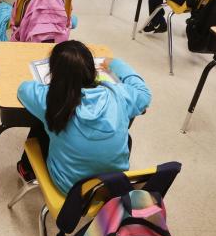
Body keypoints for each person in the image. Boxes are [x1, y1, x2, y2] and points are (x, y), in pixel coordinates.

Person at [16, 40, 151, 193]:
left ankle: (26, 169)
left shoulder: (51, 99)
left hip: (70, 188)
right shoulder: (118, 94)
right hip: (111, 186)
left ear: (54, 73)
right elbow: (144, 93)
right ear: (92, 70)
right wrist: (115, 63)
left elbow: (23, 89)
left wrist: (54, 86)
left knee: (43, 122)